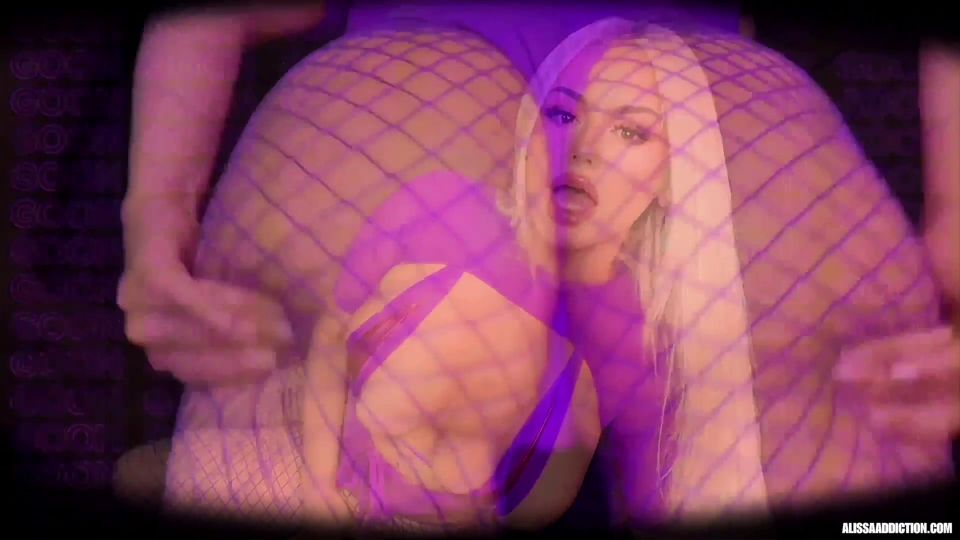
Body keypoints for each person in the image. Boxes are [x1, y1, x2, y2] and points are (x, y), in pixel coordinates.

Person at [115, 0, 960, 532]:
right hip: (688, 81)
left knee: (314, 424)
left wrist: (157, 215)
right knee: (840, 436)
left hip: (417, 73)